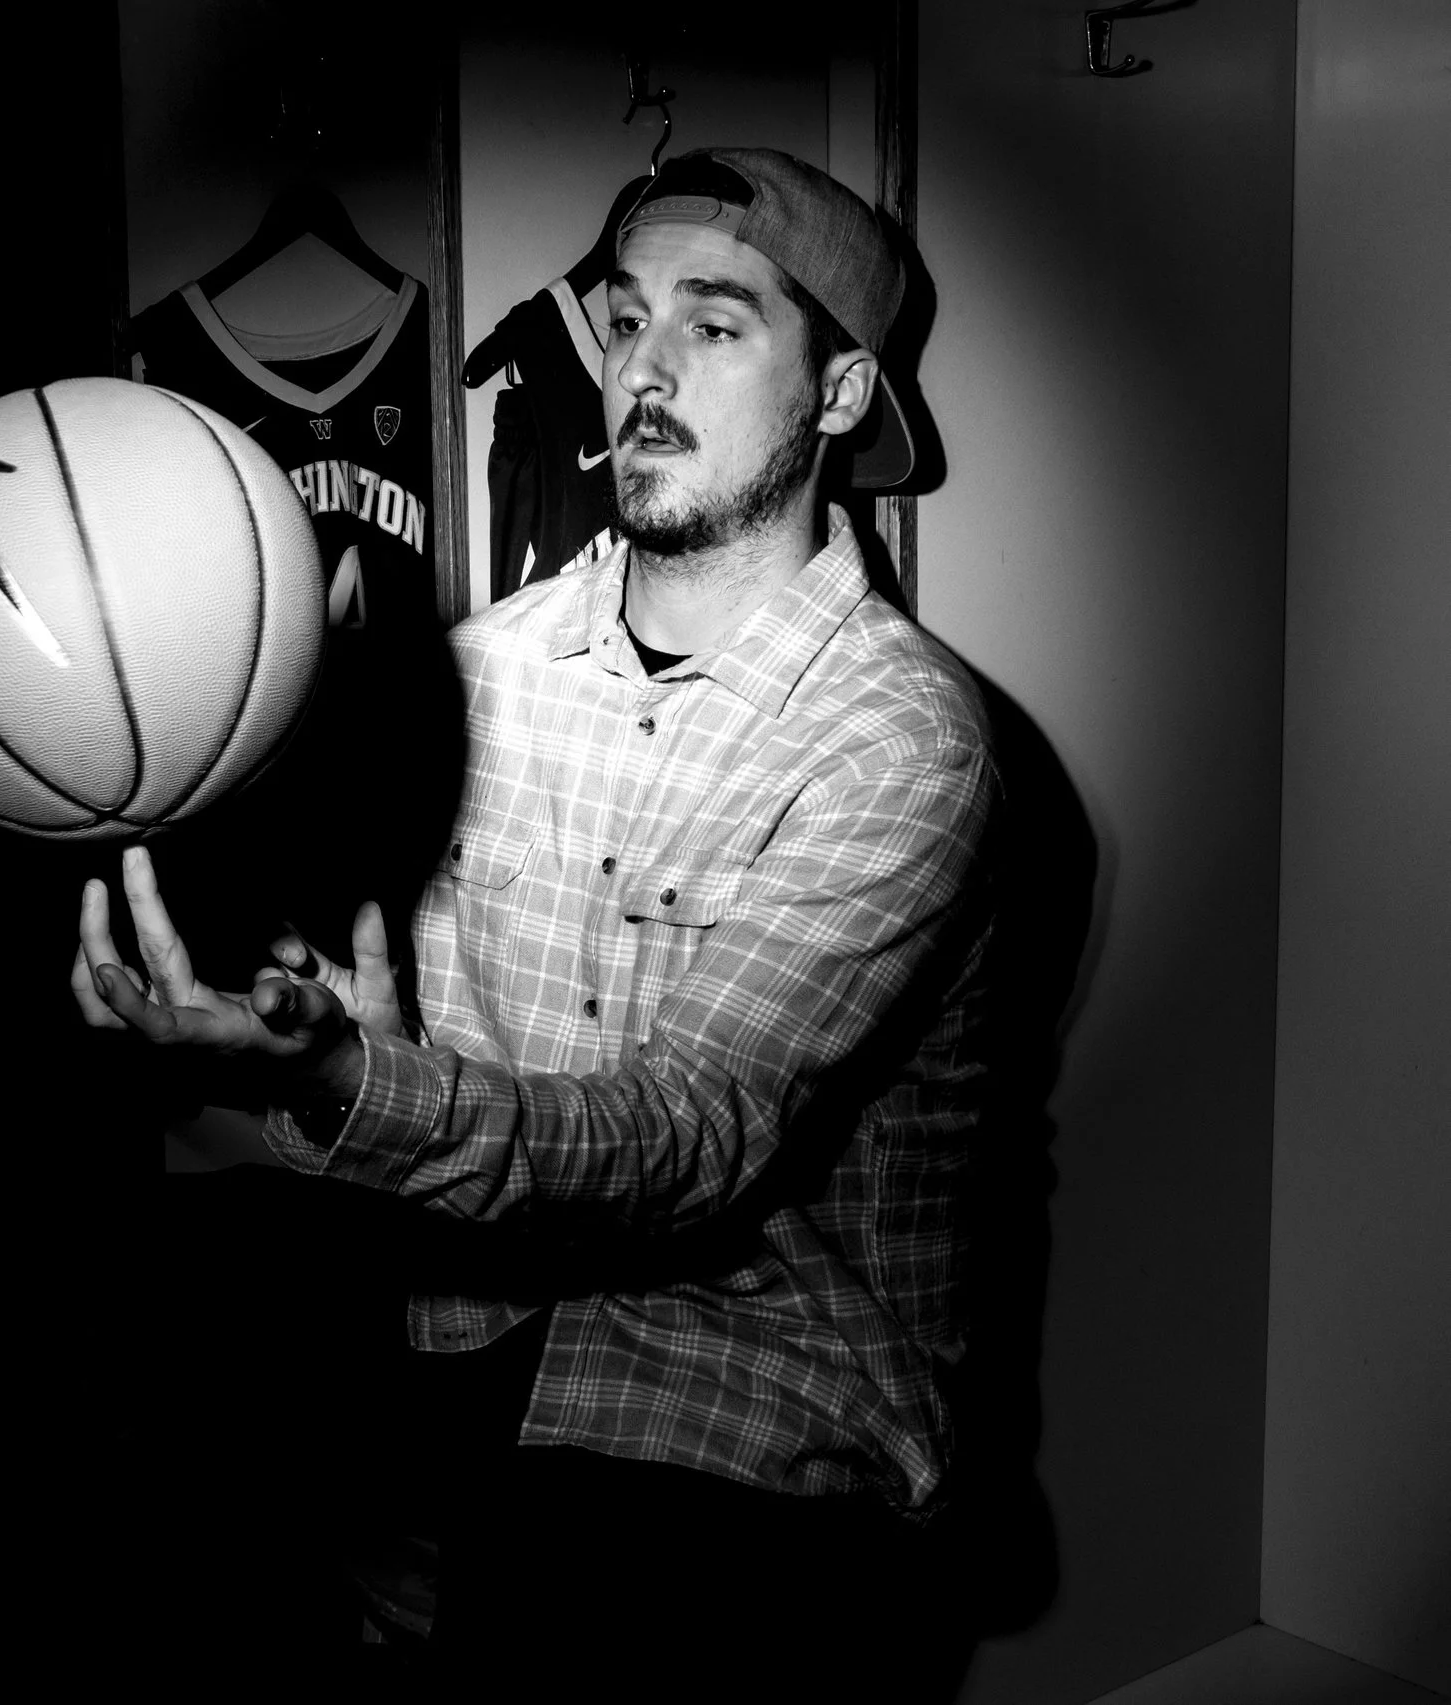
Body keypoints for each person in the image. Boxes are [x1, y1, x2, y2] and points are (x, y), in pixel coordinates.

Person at [75, 148, 994, 1688]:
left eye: (714, 325)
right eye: (626, 319)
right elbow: (376, 1043)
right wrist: (289, 1016)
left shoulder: (901, 742)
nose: (643, 369)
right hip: (464, 1356)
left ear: (840, 394)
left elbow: (688, 1140)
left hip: (761, 1411)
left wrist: (347, 1081)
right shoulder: (475, 674)